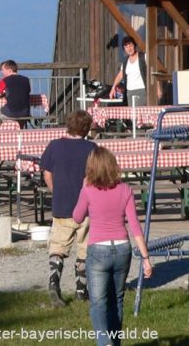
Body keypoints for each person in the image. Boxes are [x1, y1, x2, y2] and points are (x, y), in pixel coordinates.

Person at [73, 147, 152, 346]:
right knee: (116, 300)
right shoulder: (125, 189)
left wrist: (83, 189)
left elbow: (77, 217)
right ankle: (114, 343)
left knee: (98, 302)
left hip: (98, 248)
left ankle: (104, 341)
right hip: (123, 248)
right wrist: (145, 258)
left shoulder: (88, 190)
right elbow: (135, 226)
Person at [39, 110, 96, 307]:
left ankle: (54, 282)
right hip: (86, 207)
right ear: (87, 129)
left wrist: (55, 189)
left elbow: (47, 172)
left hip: (61, 203)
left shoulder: (55, 146)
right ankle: (81, 289)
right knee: (85, 247)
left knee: (58, 246)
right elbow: (91, 178)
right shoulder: (91, 148)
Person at [108, 37, 148, 107]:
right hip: (129, 92)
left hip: (142, 91)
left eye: (130, 46)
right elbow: (120, 75)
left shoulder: (143, 57)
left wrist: (158, 88)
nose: (129, 49)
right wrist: (113, 87)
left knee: (139, 115)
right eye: (126, 47)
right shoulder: (125, 61)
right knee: (132, 116)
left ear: (134, 45)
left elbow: (152, 71)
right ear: (124, 49)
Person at [0, 60, 31, 128]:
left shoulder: (5, 80)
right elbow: (26, 91)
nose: (2, 72)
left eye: (3, 70)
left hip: (11, 113)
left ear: (9, 70)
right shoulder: (26, 79)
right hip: (25, 113)